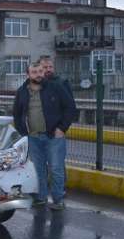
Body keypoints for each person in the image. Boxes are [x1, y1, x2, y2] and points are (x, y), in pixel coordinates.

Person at [12, 62, 77, 210]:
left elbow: (70, 107)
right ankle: (40, 198)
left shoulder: (56, 88)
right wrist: (23, 132)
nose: (39, 74)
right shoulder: (22, 91)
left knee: (56, 168)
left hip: (54, 137)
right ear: (28, 75)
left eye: (40, 71)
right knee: (38, 169)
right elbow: (16, 113)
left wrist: (62, 128)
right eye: (34, 72)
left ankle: (58, 200)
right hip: (33, 138)